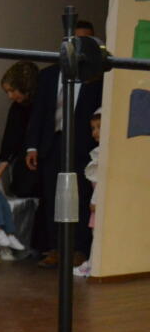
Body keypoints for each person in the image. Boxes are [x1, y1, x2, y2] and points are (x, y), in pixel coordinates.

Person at [24, 20, 101, 267]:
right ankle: (56, 247)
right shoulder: (49, 75)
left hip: (82, 145)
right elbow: (38, 112)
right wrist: (32, 146)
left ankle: (79, 248)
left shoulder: (96, 77)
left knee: (81, 196)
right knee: (52, 195)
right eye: (74, 41)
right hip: (52, 142)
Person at [0, 61, 40, 198]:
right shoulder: (17, 108)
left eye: (12, 90)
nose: (10, 96)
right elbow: (10, 143)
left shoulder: (43, 105)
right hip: (26, 170)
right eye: (7, 92)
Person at [74, 108, 101, 277]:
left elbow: (101, 182)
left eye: (99, 127)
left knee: (98, 235)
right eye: (93, 128)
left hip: (99, 202)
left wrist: (95, 200)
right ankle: (92, 263)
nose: (95, 132)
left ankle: (94, 265)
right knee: (95, 234)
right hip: (96, 201)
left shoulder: (104, 154)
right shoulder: (97, 152)